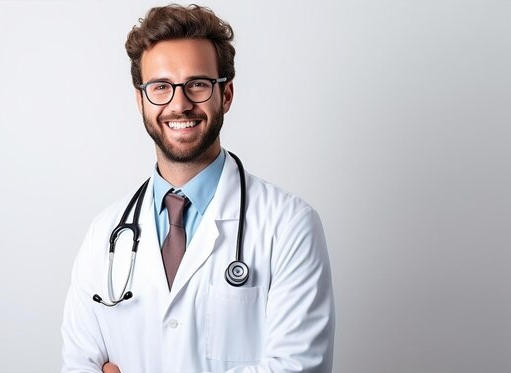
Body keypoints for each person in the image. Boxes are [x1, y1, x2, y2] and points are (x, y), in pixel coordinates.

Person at [61, 4, 334, 372]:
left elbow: (299, 367)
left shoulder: (289, 225)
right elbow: (79, 365)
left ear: (226, 94)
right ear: (140, 99)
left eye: (197, 84)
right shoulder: (104, 234)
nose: (179, 103)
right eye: (160, 86)